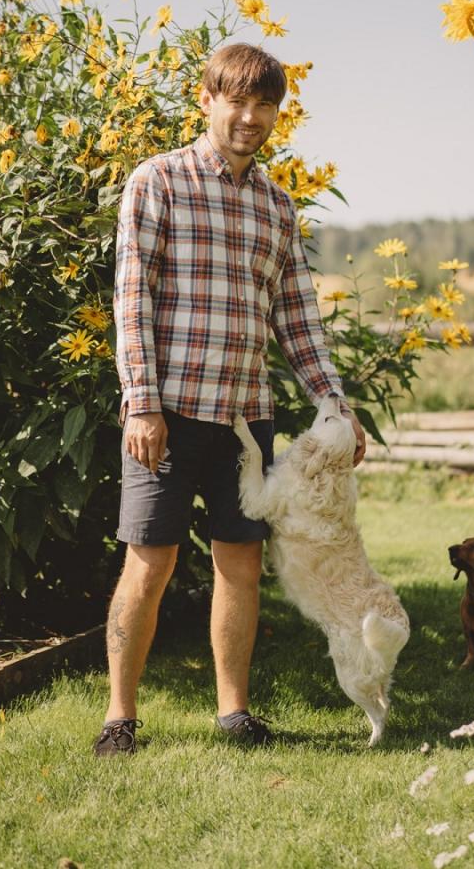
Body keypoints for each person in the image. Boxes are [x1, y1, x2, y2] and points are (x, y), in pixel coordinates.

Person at [93, 43, 366, 756]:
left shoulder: (277, 205)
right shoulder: (158, 181)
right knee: (149, 562)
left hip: (247, 421)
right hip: (168, 414)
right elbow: (131, 299)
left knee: (239, 562)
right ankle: (119, 718)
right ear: (207, 100)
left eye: (264, 105)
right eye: (237, 101)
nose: (250, 117)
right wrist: (142, 404)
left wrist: (334, 403)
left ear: (277, 114)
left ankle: (234, 713)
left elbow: (297, 317)